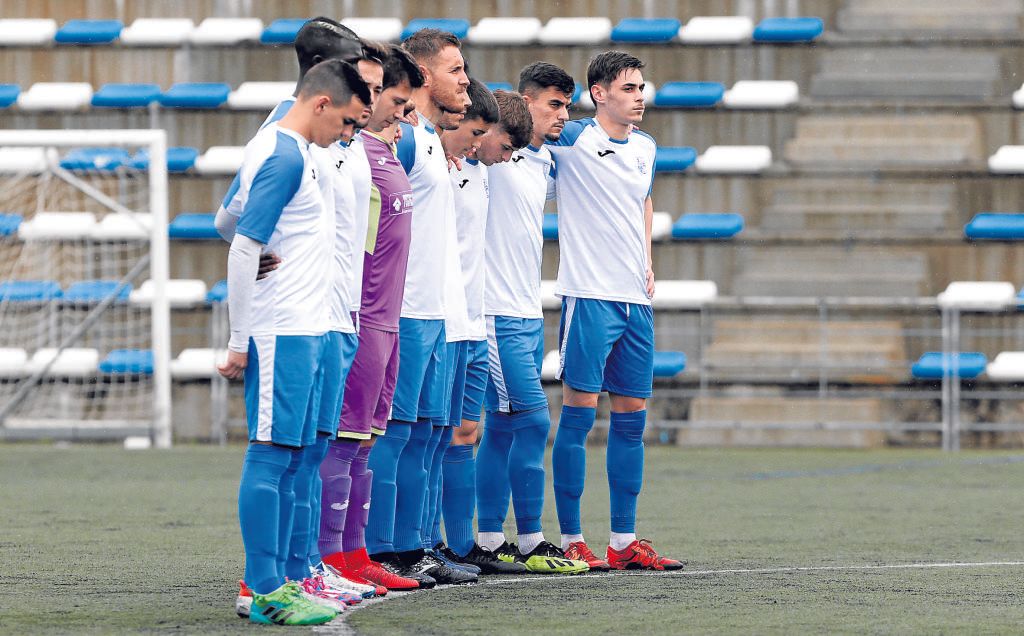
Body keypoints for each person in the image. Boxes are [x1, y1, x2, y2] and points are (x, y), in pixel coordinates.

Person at [218, 19, 382, 616]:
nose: (348, 134)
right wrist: (240, 340)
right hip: (283, 326)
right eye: (344, 122)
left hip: (313, 323)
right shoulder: (283, 152)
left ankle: (291, 576)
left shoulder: (305, 150)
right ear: (321, 102)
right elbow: (239, 236)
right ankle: (262, 590)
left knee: (302, 453)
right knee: (272, 453)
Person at [547, 51, 683, 571]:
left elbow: (643, 200)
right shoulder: (574, 139)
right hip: (588, 295)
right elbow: (524, 138)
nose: (639, 96)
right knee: (578, 418)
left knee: (631, 422)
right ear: (598, 93)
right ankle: (571, 539)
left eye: (642, 88)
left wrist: (646, 256)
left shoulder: (646, 147)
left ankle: (623, 541)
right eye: (628, 88)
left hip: (635, 301)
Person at [363, 27, 476, 587]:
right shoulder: (404, 138)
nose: (466, 80)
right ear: (425, 75)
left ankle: (418, 542)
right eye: (457, 70)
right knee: (396, 432)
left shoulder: (430, 139)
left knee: (429, 432)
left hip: (437, 310)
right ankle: (383, 549)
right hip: (403, 308)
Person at [316, 45, 427, 593]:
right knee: (342, 442)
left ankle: (354, 556)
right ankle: (326, 559)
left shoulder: (386, 154)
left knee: (364, 444)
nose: (405, 115)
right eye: (398, 102)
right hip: (358, 320)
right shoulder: (349, 154)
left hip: (389, 321)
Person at [473, 62, 589, 575]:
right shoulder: (494, 157)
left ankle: (491, 538)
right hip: (495, 311)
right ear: (523, 101)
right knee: (534, 419)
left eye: (568, 105)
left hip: (525, 309)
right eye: (553, 105)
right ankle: (531, 540)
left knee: (501, 427)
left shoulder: (542, 162)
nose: (563, 115)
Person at [437, 87, 534, 575]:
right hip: (440, 318)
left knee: (467, 430)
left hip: (474, 319)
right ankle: (423, 544)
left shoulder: (482, 171)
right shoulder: (437, 163)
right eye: (482, 136)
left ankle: (462, 542)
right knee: (433, 433)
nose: (499, 154)